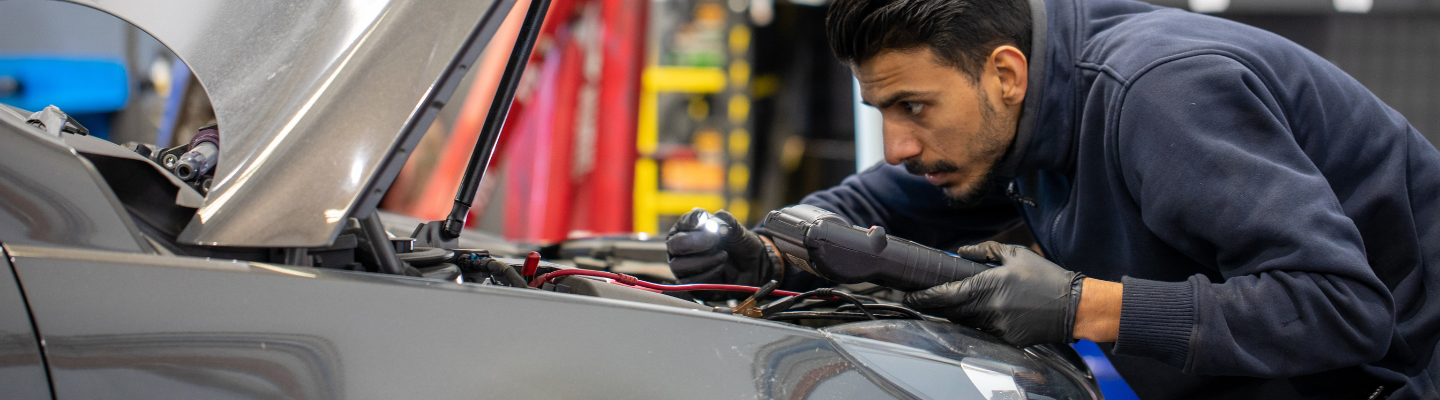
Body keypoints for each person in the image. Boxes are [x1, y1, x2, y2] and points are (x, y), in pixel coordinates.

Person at [664, 0, 1440, 398]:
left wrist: (1084, 306)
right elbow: (877, 203)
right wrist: (769, 250)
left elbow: (1340, 307)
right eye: (882, 113)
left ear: (1004, 73)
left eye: (914, 108)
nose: (899, 144)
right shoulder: (1013, 118)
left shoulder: (1160, 97)